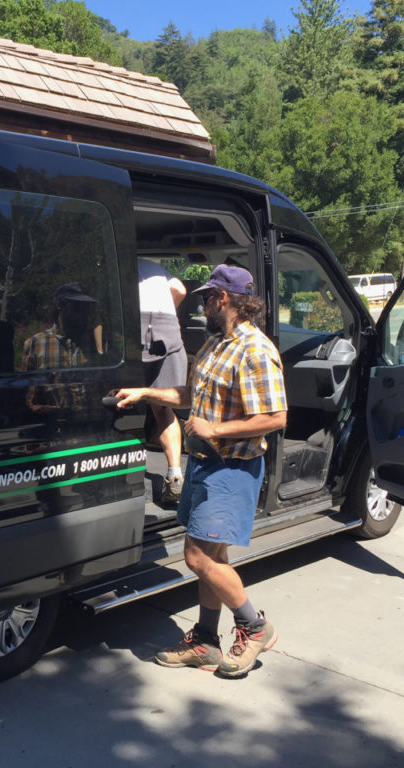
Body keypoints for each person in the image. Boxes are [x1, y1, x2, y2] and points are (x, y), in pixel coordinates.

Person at [115, 265, 288, 678]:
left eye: (207, 298)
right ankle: (206, 642)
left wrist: (216, 428)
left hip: (232, 467)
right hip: (203, 463)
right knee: (214, 555)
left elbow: (276, 416)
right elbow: (191, 394)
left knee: (195, 556)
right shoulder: (214, 344)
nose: (203, 304)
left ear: (224, 299)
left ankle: (254, 627)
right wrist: (146, 391)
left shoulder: (255, 351)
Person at [137, 259, 188, 503]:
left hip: (135, 321)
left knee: (124, 397)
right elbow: (180, 290)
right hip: (167, 324)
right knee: (164, 405)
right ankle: (175, 473)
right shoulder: (156, 268)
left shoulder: (110, 260)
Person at [22, 282, 103, 419]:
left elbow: (115, 383)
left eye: (86, 307)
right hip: (58, 432)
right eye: (77, 307)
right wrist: (41, 409)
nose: (83, 314)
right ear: (60, 305)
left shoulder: (99, 342)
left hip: (97, 429)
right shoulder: (36, 344)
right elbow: (30, 397)